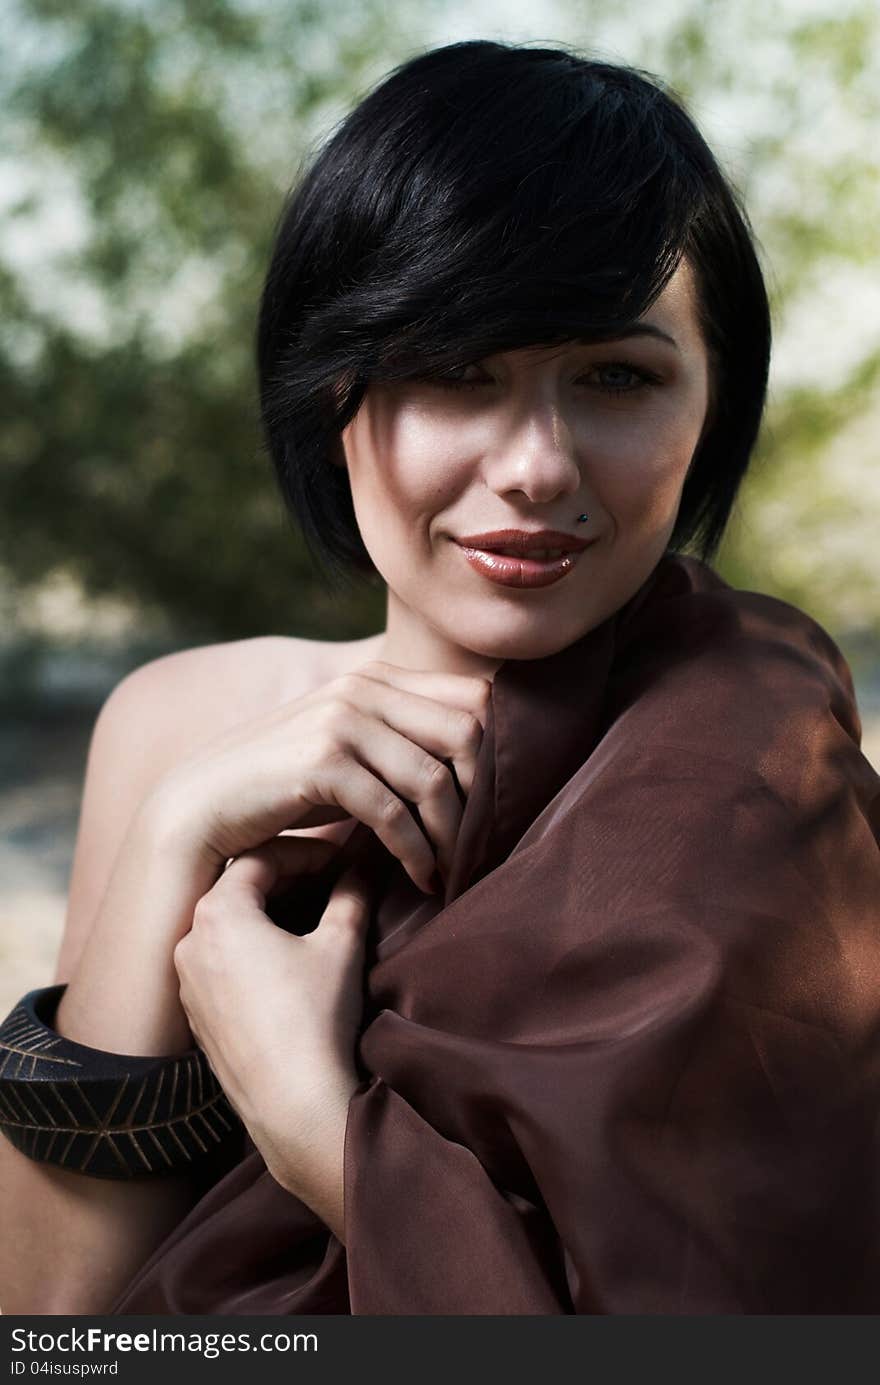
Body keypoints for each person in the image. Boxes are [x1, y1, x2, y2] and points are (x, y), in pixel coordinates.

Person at [1, 39, 878, 1316]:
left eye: (618, 377)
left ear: (709, 411)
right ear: (334, 392)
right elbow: (56, 1324)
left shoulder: (750, 769)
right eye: (456, 370)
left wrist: (318, 1129)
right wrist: (177, 831)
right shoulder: (181, 721)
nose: (535, 463)